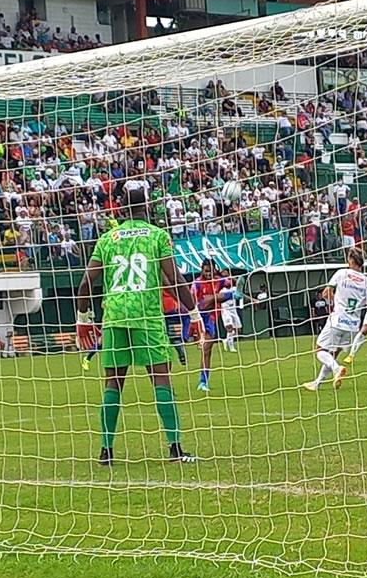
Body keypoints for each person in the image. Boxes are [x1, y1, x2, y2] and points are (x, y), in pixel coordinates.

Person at [75, 186, 202, 466]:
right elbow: (175, 277)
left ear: (120, 210)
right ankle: (175, 448)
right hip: (146, 316)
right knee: (161, 378)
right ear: (147, 209)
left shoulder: (108, 239)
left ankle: (106, 452)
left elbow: (86, 282)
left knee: (113, 383)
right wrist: (194, 314)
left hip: (115, 316)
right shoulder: (157, 236)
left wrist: (83, 320)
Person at [303, 247, 367, 392]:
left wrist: (331, 298)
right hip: (353, 326)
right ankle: (317, 383)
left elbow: (326, 293)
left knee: (320, 350)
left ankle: (337, 369)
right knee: (333, 353)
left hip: (337, 320)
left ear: (350, 260)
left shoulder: (341, 273)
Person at [191, 258, 228, 392]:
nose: (208, 273)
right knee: (206, 349)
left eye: (211, 271)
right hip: (200, 317)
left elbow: (231, 283)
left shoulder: (219, 280)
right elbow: (192, 299)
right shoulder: (197, 284)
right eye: (206, 271)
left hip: (212, 318)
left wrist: (229, 279)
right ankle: (203, 382)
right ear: (202, 270)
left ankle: (203, 381)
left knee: (207, 350)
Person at [218, 268, 243, 353]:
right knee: (230, 328)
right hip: (225, 310)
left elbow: (239, 285)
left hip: (234, 310)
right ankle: (231, 347)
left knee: (238, 330)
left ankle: (226, 340)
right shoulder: (221, 290)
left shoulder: (234, 289)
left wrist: (231, 277)